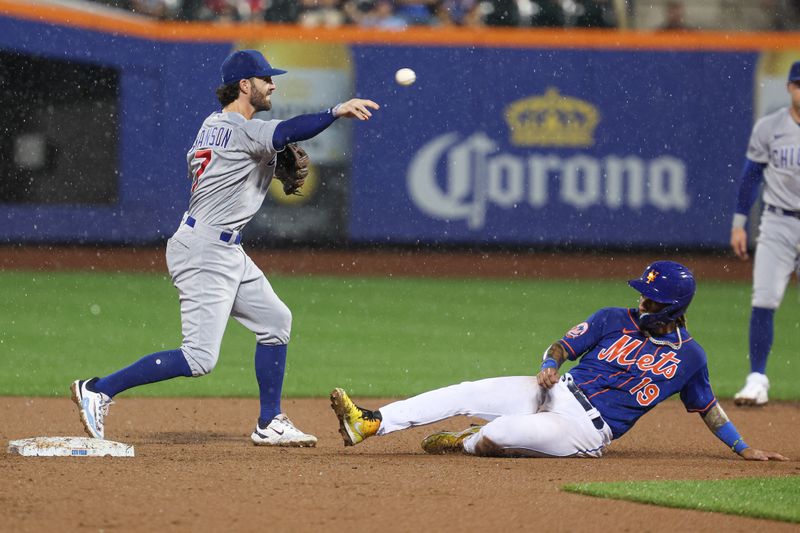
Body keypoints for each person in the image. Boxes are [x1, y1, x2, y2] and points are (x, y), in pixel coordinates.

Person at [71, 49, 380, 446]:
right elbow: (287, 132)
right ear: (244, 86)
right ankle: (99, 390)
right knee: (199, 358)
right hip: (204, 250)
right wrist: (335, 111)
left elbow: (228, 164)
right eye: (266, 78)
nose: (273, 84)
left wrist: (265, 166)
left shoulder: (213, 125)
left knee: (275, 322)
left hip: (225, 247)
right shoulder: (241, 129)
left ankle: (269, 421)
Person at [331, 261, 787, 461]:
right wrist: (549, 363)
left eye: (649, 299)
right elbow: (561, 349)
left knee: (500, 433)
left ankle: (467, 442)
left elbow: (707, 407)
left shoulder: (691, 357)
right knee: (466, 391)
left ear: (671, 309)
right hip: (555, 390)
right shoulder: (613, 318)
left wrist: (742, 447)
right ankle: (370, 423)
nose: (640, 302)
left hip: (584, 431)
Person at [730, 60, 800, 407]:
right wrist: (739, 223)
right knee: (763, 299)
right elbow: (750, 176)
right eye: (799, 84)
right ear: (789, 87)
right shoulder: (770, 127)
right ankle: (757, 378)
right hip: (778, 221)